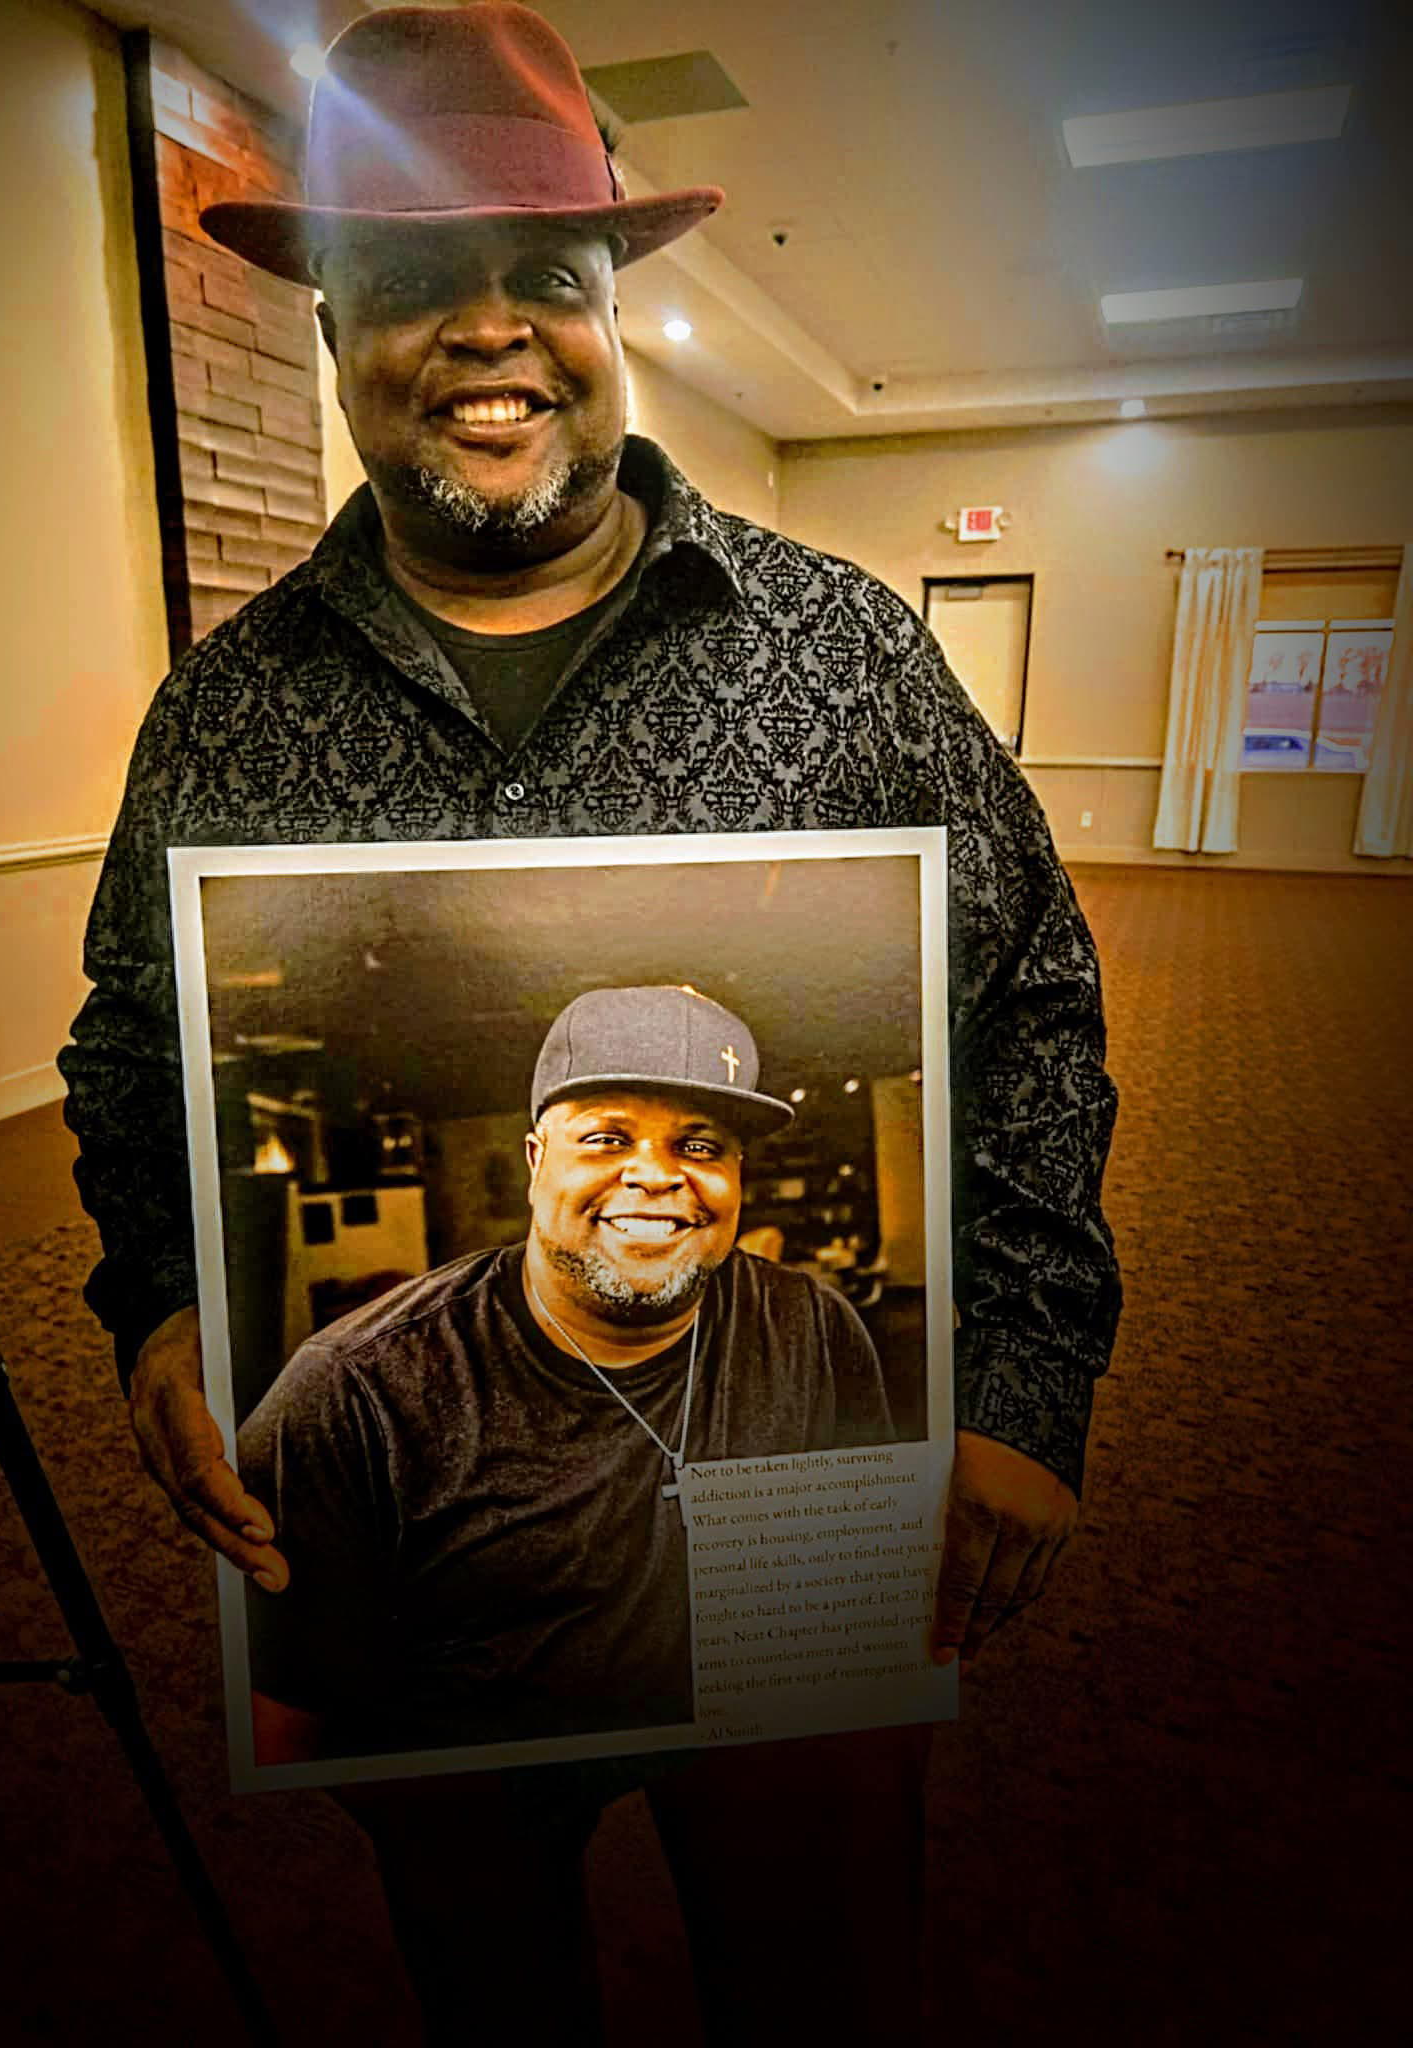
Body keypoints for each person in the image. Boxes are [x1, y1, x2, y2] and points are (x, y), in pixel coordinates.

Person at [60, 5, 1119, 2036]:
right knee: (489, 1986)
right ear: (333, 329)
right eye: (410, 285)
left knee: (821, 1976)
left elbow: (1036, 1003)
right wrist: (165, 1301)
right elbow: (129, 1050)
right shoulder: (231, 711)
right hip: (447, 1626)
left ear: (614, 304)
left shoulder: (842, 651)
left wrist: (1027, 1388)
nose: (489, 335)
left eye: (544, 276)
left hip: (806, 1574)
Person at [238, 983, 896, 1764]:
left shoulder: (814, 1331)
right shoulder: (354, 1392)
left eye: (700, 1145)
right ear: (534, 1160)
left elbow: (857, 1632)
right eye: (608, 1138)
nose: (656, 1176)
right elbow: (283, 1749)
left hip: (745, 1793)